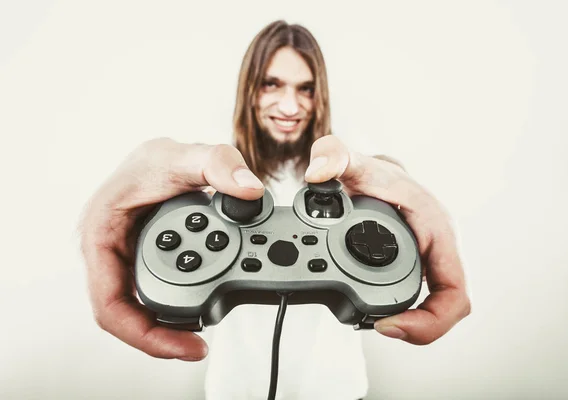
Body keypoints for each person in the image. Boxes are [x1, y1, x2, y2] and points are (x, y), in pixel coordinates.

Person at [78, 20, 471, 400]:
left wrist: (391, 190)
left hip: (333, 385)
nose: (289, 105)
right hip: (237, 385)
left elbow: (385, 175)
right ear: (249, 90)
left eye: (306, 89)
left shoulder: (352, 178)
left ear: (321, 97)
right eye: (272, 84)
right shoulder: (209, 175)